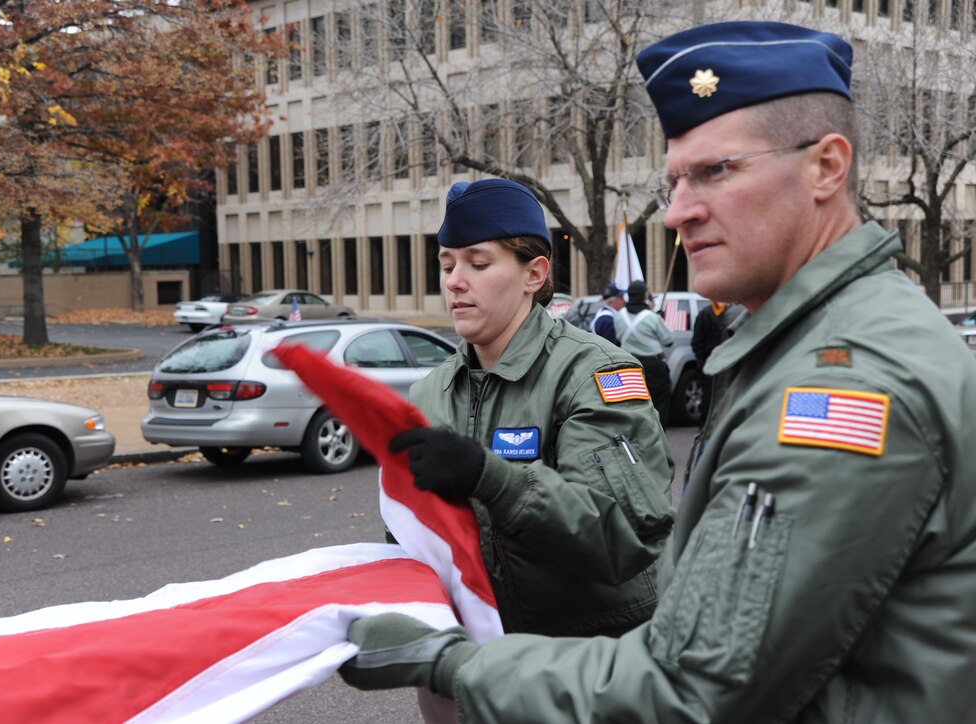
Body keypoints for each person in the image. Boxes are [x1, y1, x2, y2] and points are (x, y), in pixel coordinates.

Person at [339, 21, 976, 722]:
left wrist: (447, 660)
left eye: (716, 171)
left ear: (826, 167)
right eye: (674, 179)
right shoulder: (801, 346)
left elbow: (693, 684)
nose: (677, 212)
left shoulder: (844, 379)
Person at [387, 177, 675, 640]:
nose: (455, 281)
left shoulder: (595, 374)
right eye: (446, 265)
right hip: (479, 658)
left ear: (534, 275)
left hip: (593, 655)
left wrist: (491, 478)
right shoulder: (428, 393)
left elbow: (620, 536)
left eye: (478, 263)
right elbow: (409, 533)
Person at [617, 280, 675, 426]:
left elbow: (618, 337)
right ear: (645, 295)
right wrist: (660, 318)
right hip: (653, 366)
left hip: (627, 365)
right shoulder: (651, 317)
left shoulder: (619, 315)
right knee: (659, 404)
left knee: (632, 405)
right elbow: (669, 340)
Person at [690, 300, 743, 422]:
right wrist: (702, 361)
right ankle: (706, 426)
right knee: (709, 398)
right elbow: (697, 342)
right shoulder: (705, 314)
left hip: (727, 363)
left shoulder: (731, 313)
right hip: (708, 365)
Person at [588, 282, 625, 346]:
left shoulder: (602, 312)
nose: (624, 301)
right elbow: (613, 349)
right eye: (621, 298)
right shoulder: (609, 320)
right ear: (611, 301)